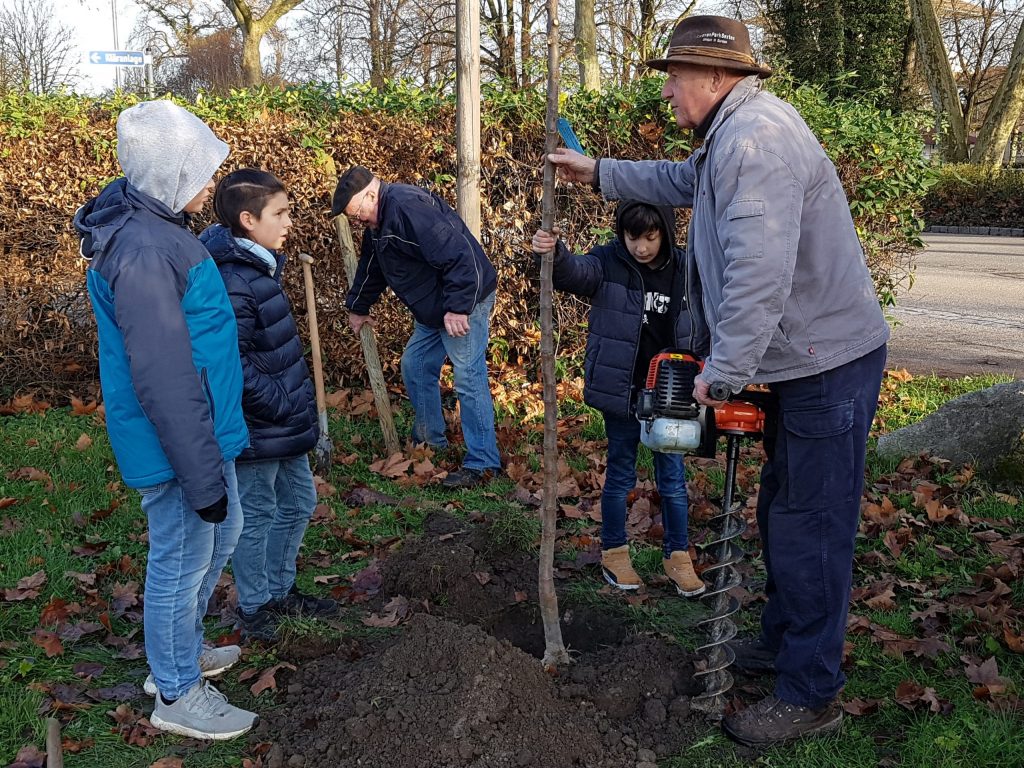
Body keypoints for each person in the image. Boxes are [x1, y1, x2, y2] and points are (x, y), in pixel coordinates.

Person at [547, 15, 889, 747]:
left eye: (674, 76)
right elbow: (679, 181)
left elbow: (759, 273)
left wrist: (724, 372)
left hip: (826, 363)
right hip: (804, 360)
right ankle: (782, 644)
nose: (666, 90)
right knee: (781, 512)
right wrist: (599, 172)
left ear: (715, 76)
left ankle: (810, 692)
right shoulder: (730, 137)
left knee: (812, 527)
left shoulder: (755, 142)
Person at [73, 100, 257, 740]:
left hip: (202, 435)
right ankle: (176, 691)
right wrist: (200, 473)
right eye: (201, 171)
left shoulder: (158, 228)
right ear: (170, 173)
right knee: (181, 560)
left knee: (223, 534)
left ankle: (179, 649)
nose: (213, 185)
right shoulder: (145, 249)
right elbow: (163, 374)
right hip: (177, 444)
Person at [532, 202, 705, 597]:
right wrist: (555, 252)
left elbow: (709, 313)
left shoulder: (685, 268)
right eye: (632, 238)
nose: (640, 248)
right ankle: (614, 551)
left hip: (671, 392)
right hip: (624, 389)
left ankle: (678, 556)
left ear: (665, 232)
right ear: (620, 234)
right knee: (620, 474)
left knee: (673, 481)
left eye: (649, 237)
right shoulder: (608, 261)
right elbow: (575, 273)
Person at [199, 169, 339, 642]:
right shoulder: (234, 279)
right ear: (247, 219)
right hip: (261, 425)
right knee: (257, 513)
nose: (288, 222)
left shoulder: (258, 267)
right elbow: (228, 363)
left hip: (284, 421)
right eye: (279, 213)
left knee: (300, 500)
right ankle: (256, 605)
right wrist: (279, 402)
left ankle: (280, 589)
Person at [332, 165, 502, 488]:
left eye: (358, 214)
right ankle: (429, 441)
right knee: (416, 363)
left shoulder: (408, 208)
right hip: (435, 309)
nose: (360, 222)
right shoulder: (379, 222)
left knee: (467, 375)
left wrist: (457, 307)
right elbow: (372, 265)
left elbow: (458, 255)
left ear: (371, 194)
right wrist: (357, 307)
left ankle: (484, 463)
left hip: (464, 301)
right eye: (355, 219)